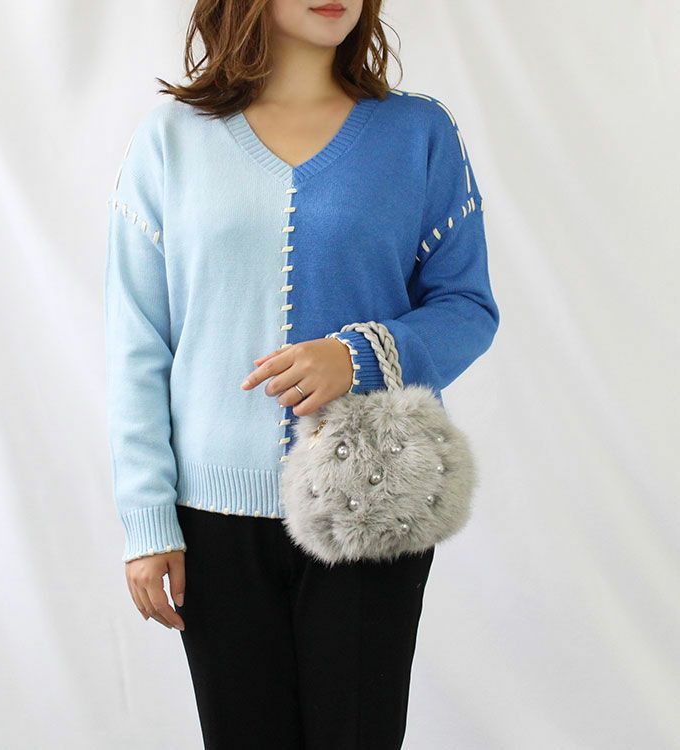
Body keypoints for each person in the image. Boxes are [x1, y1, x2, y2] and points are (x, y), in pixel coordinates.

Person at [103, 1, 500, 747]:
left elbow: (468, 307)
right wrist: (146, 520)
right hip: (211, 521)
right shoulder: (170, 139)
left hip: (373, 504)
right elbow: (136, 344)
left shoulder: (419, 133)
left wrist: (359, 356)